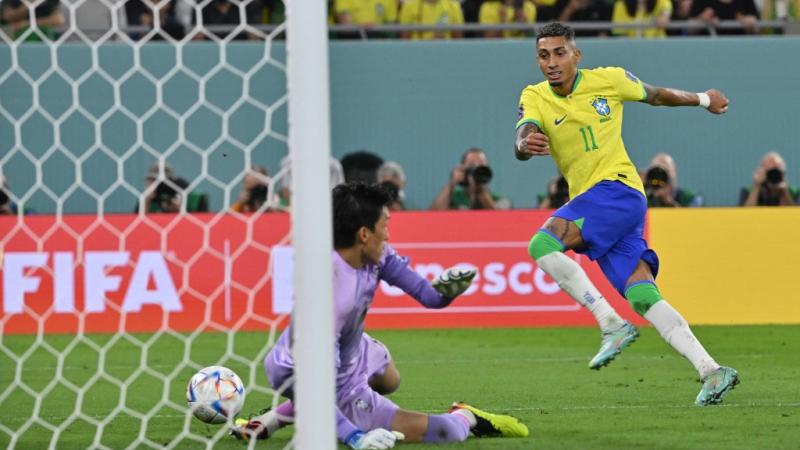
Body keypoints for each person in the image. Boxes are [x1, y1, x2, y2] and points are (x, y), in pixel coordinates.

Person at [514, 22, 738, 406]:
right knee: (642, 295)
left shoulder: (609, 80)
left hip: (617, 190)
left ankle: (610, 322)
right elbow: (523, 133)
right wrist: (524, 143)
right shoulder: (534, 95)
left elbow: (656, 95)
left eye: (559, 53)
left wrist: (704, 99)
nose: (551, 62)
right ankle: (711, 370)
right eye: (543, 55)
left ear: (576, 55)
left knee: (542, 244)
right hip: (603, 207)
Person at [230, 183, 529, 447]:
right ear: (364, 234)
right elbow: (318, 389)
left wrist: (447, 293)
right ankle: (466, 415)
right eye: (384, 225)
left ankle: (272, 419)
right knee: (445, 432)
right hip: (309, 373)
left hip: (351, 348)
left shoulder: (376, 255)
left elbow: (428, 296)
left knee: (390, 380)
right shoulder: (331, 295)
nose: (388, 233)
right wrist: (355, 437)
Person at [430, 148, 511, 210]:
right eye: (472, 164)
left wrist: (480, 191)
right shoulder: (454, 198)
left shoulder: (500, 199)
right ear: (463, 169)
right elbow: (433, 214)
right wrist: (452, 184)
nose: (477, 168)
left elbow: (500, 220)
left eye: (481, 164)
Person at [399, 0, 464, 40]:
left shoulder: (454, 6)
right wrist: (429, 43)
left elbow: (458, 39)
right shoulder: (408, 6)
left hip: (445, 52)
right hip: (417, 53)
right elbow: (404, 40)